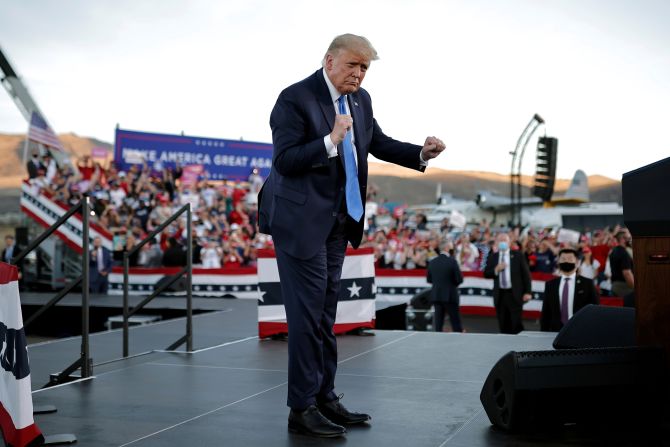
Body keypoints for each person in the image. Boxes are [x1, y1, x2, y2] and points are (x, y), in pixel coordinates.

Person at [258, 33, 446, 438]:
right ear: (329, 60)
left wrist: (419, 154)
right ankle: (301, 408)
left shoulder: (361, 100)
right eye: (352, 65)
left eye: (364, 68)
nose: (358, 74)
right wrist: (329, 141)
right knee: (306, 318)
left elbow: (376, 142)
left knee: (325, 315)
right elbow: (285, 160)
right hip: (300, 222)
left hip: (338, 223)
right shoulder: (295, 98)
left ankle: (324, 397)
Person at [541, 248, 599, 331]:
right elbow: (546, 312)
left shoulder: (587, 283)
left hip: (581, 330)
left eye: (570, 259)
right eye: (563, 259)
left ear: (577, 262)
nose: (566, 261)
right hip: (555, 331)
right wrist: (543, 332)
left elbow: (594, 310)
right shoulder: (550, 285)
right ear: (558, 262)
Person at [484, 233, 532, 334]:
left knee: (516, 324)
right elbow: (486, 273)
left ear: (509, 242)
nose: (502, 242)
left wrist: (528, 292)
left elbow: (526, 275)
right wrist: (496, 270)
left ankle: (519, 347)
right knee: (503, 324)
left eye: (504, 240)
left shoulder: (518, 255)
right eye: (500, 240)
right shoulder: (493, 257)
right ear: (496, 243)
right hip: (500, 295)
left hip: (514, 294)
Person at [427, 241, 464, 332]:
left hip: (437, 296)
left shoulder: (432, 262)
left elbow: (429, 279)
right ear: (447, 248)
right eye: (451, 247)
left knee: (438, 323)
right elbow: (459, 279)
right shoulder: (452, 262)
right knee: (455, 322)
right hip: (450, 296)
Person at [609, 230, 634, 297]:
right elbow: (627, 273)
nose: (630, 240)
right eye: (628, 238)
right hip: (623, 286)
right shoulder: (623, 253)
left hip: (615, 286)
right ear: (623, 239)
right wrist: (635, 288)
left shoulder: (614, 251)